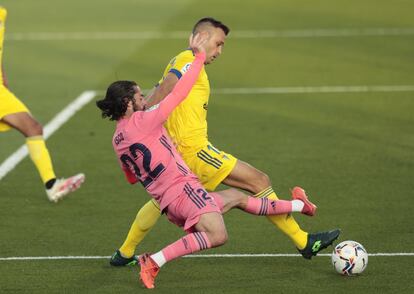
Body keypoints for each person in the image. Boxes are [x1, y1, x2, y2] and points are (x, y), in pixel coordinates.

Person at [97, 34, 326, 289]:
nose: (145, 101)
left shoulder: (117, 140)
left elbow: (130, 178)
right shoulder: (145, 121)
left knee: (237, 198)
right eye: (140, 98)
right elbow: (177, 93)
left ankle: (300, 205)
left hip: (168, 200)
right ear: (128, 103)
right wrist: (198, 59)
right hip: (184, 189)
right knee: (218, 235)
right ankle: (154, 261)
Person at [0, 6, 85, 202]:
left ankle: (52, 185)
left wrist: (3, 77)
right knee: (32, 127)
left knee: (33, 128)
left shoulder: (2, 13)